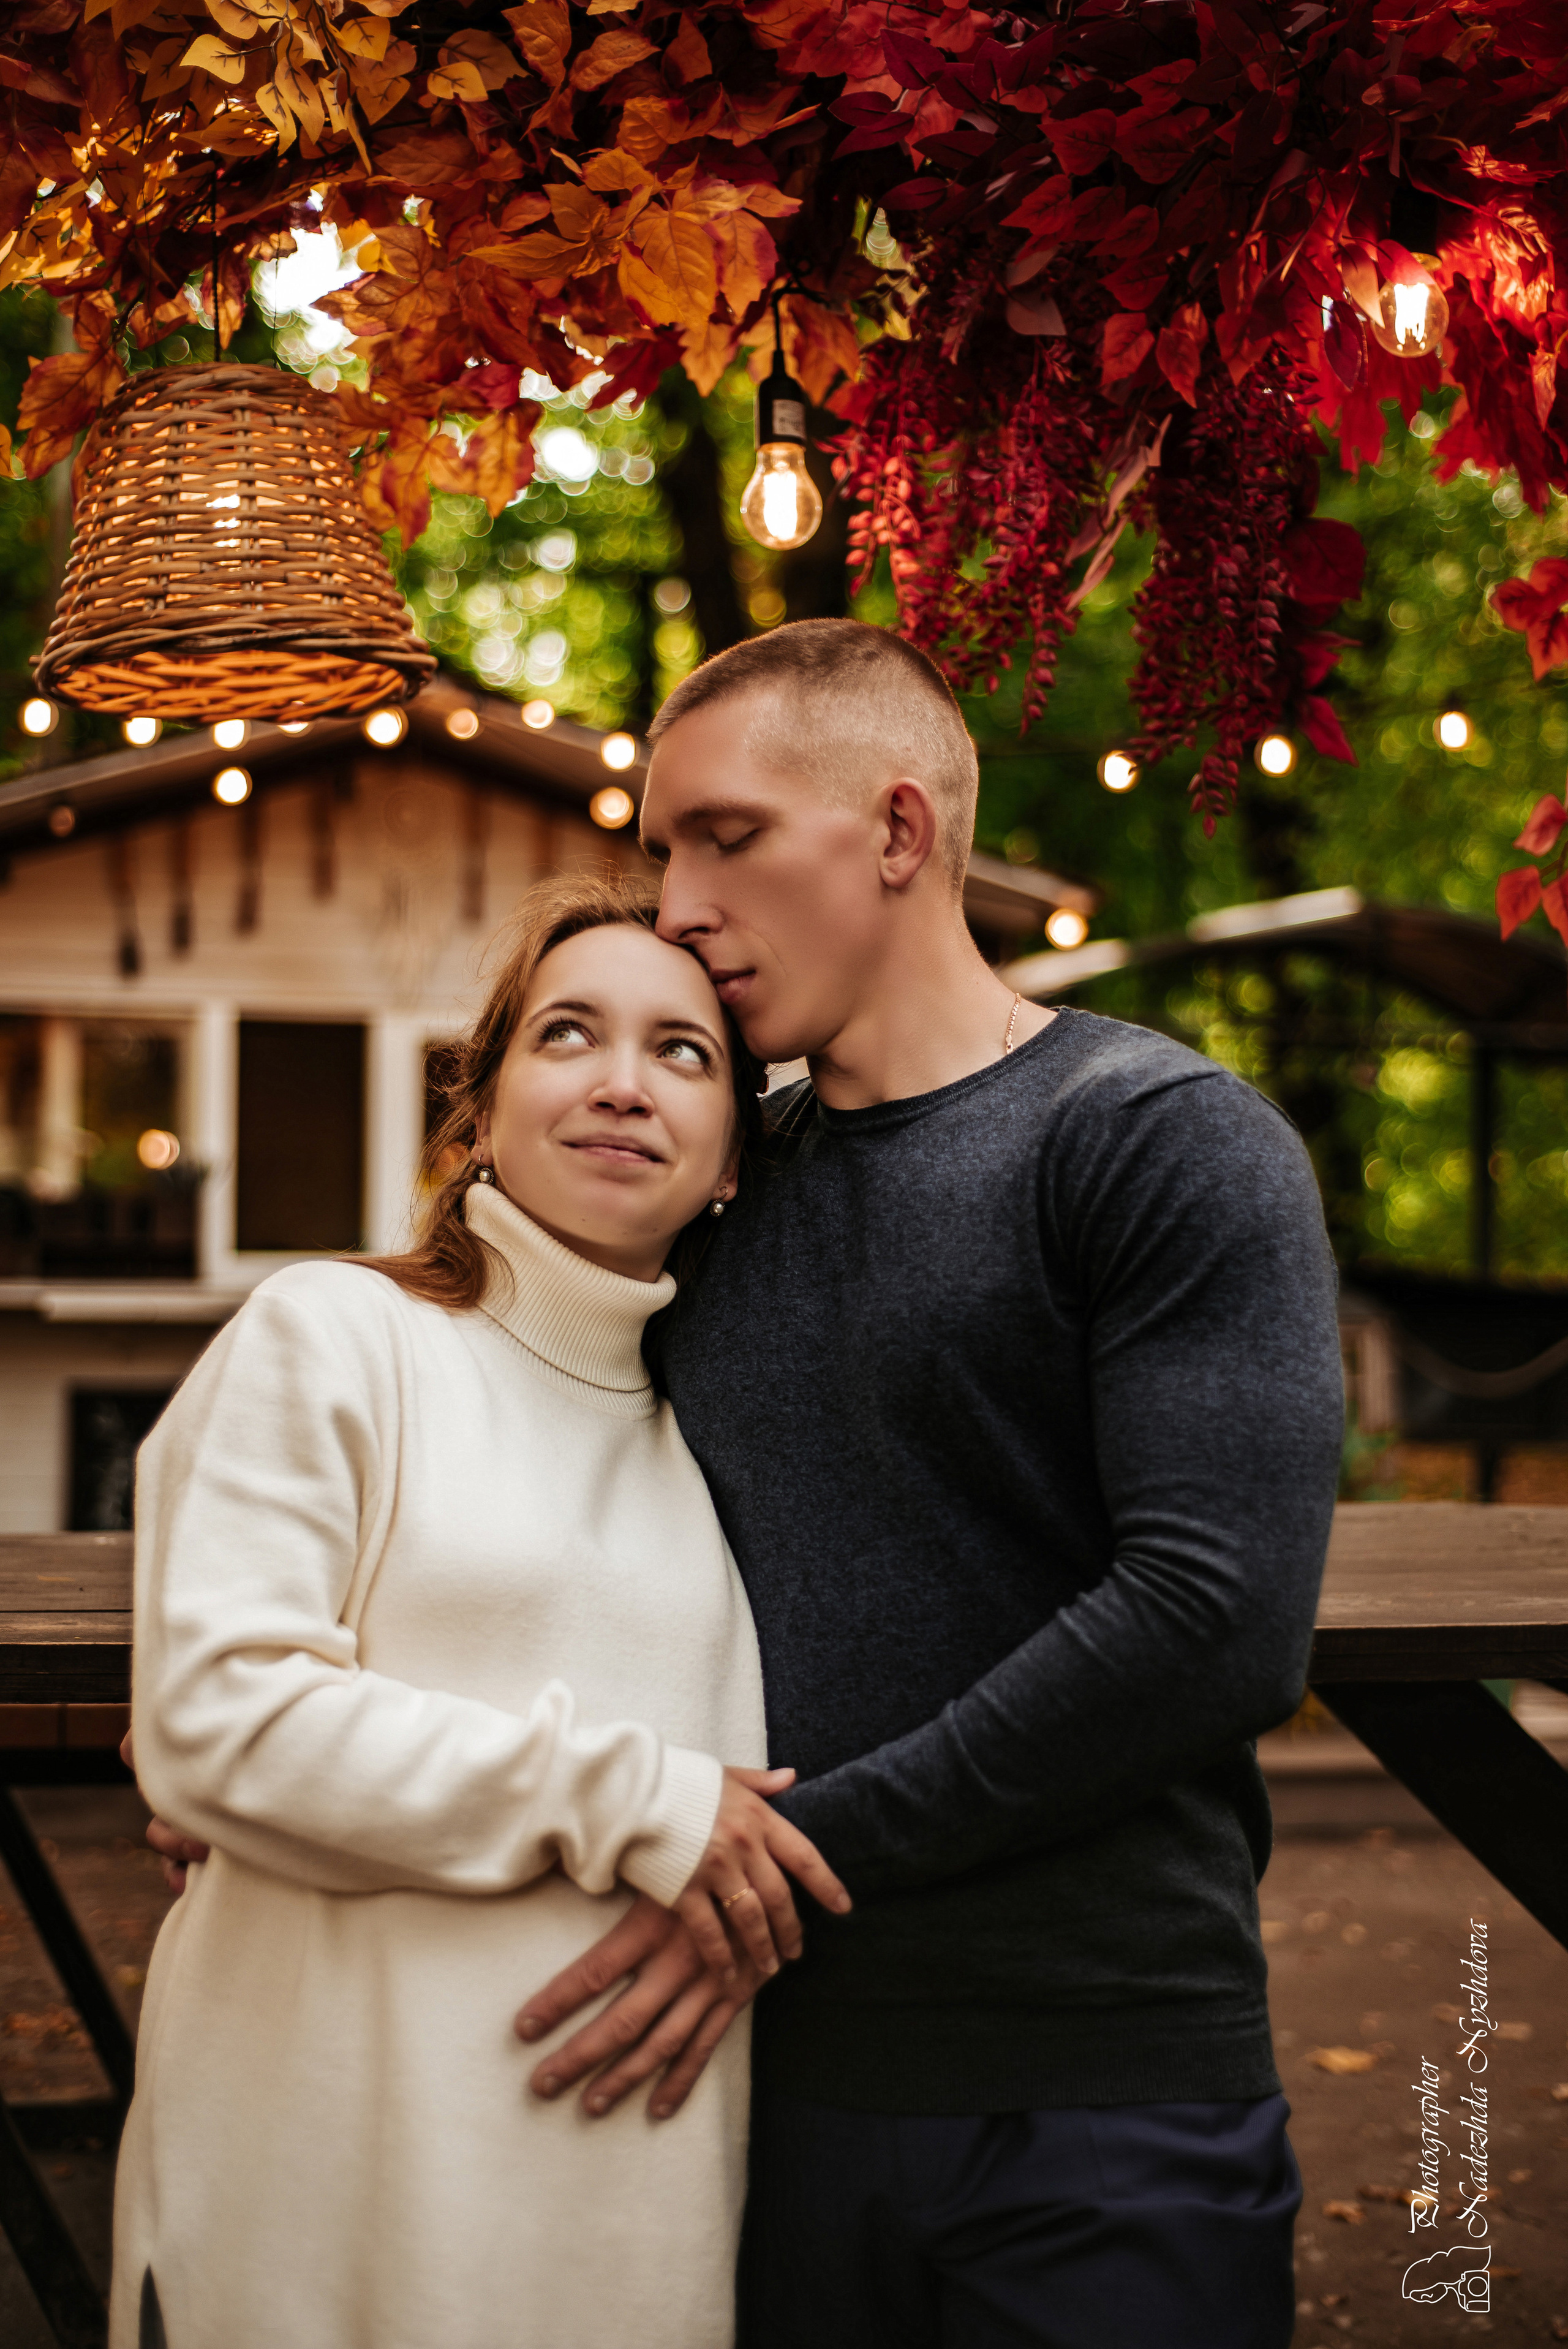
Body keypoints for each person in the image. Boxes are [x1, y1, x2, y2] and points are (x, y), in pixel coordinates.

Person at [511, 620, 1346, 2349]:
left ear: (897, 833)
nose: (673, 903)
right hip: (746, 2096)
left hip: (1098, 2090)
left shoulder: (1154, 1139)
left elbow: (1215, 1623)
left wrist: (782, 1854)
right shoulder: (706, 1191)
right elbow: (511, 1457)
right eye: (662, 847)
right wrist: (287, 1723)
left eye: (723, 836)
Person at [113, 873, 848, 2349]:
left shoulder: (727, 1447)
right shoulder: (338, 1336)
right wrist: (629, 1796)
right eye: (568, 1035)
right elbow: (216, 1722)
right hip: (323, 2210)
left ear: (729, 1170)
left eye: (683, 1052)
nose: (624, 1084)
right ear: (482, 1113)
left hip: (624, 2234)